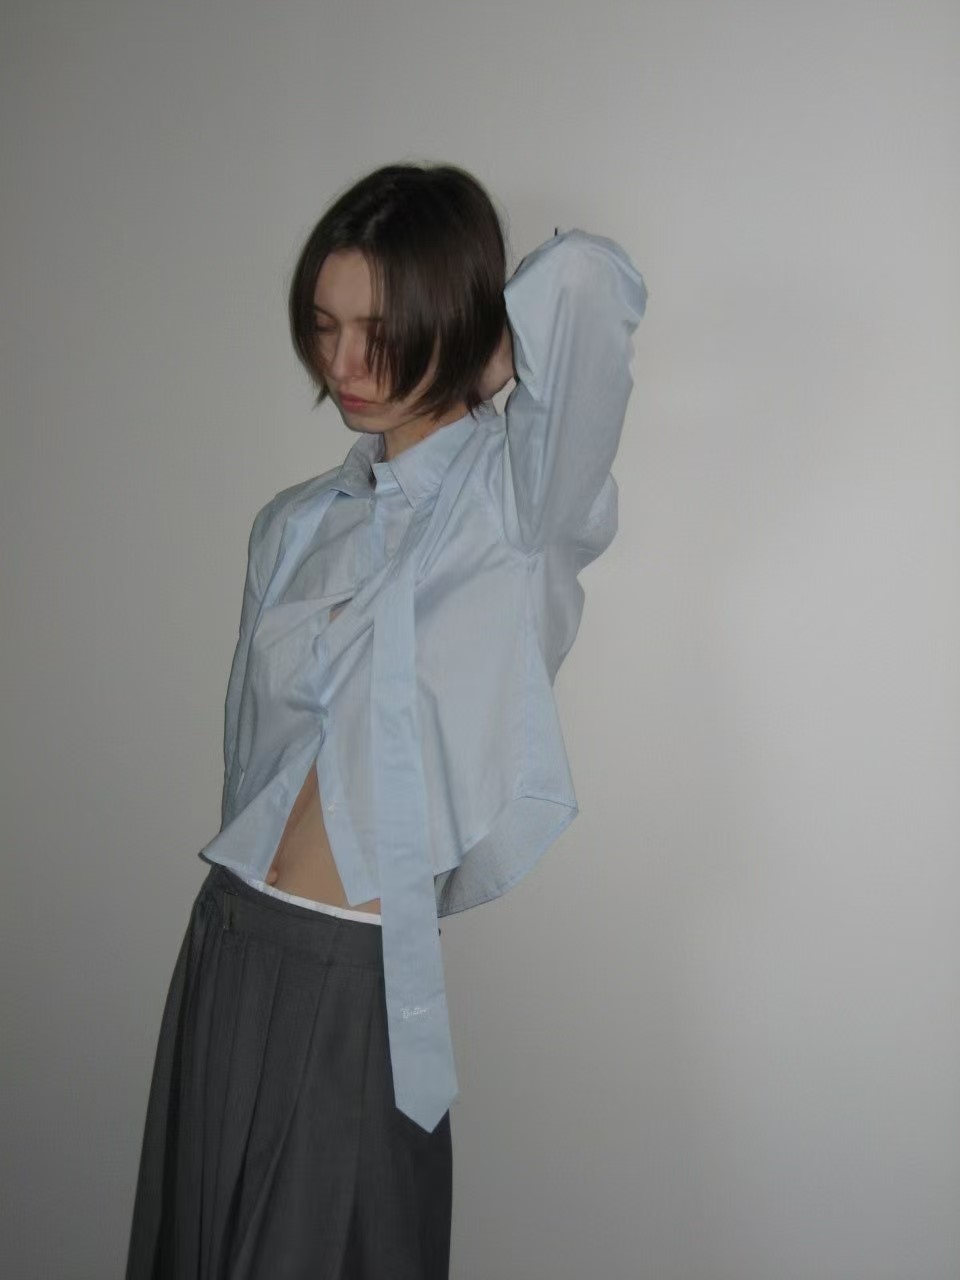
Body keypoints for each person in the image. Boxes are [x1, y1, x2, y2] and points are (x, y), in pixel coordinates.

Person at [125, 161, 646, 1280]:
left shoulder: (515, 508)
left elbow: (589, 286)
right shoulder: (295, 525)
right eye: (325, 328)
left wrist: (485, 347)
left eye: (381, 331)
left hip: (352, 971)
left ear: (449, 321)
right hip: (226, 941)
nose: (345, 367)